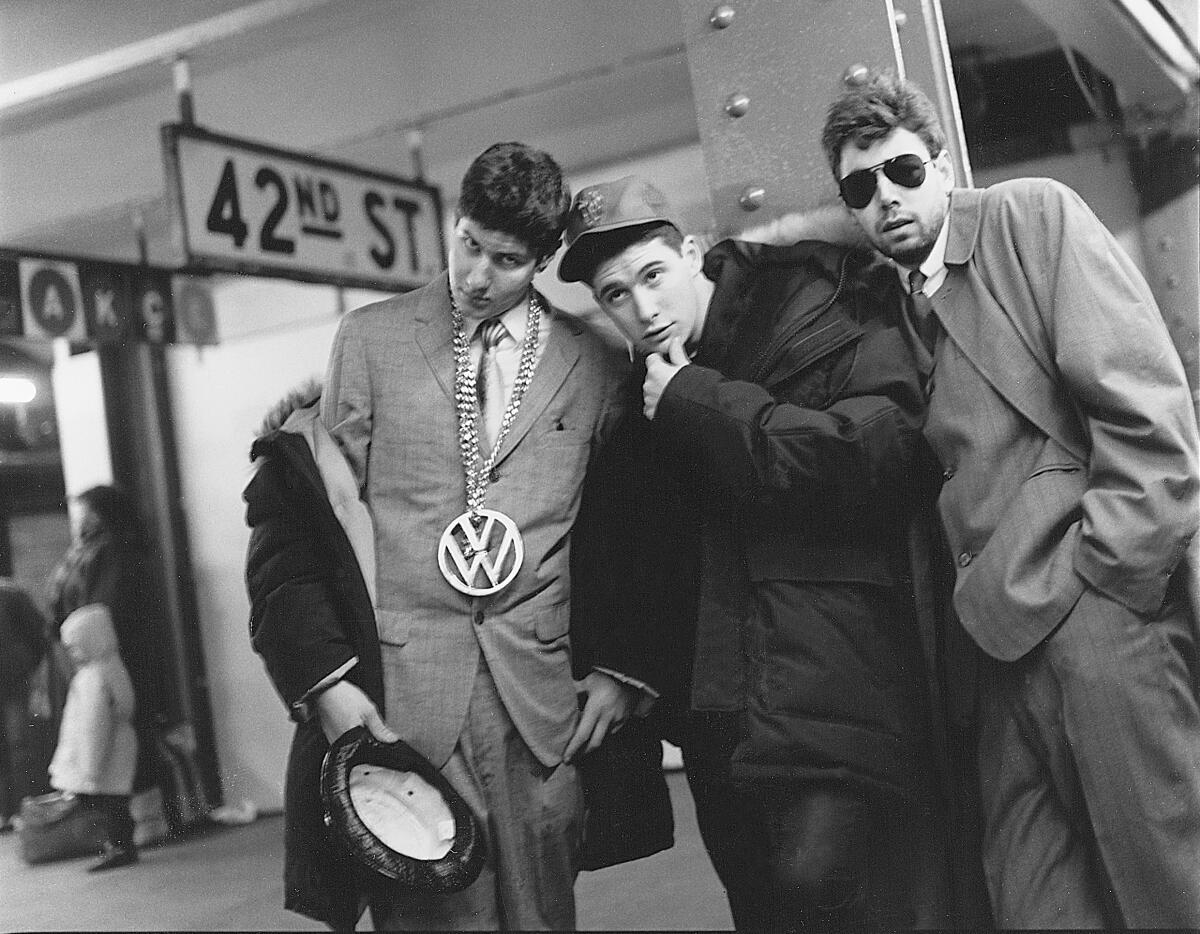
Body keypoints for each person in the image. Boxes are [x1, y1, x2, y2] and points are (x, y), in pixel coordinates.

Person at [821, 70, 1200, 928]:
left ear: (943, 163)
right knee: (1035, 902)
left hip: (1097, 628)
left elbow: (1147, 410)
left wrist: (1108, 585)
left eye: (904, 171)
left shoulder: (1029, 219)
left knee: (1168, 889)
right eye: (860, 187)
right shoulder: (897, 307)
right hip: (993, 661)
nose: (886, 197)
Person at [274, 141, 656, 931]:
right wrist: (325, 682)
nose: (477, 275)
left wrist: (625, 668)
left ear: (546, 258)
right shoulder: (370, 340)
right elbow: (308, 525)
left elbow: (631, 530)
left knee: (543, 919)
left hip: (541, 704)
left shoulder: (596, 363)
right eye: (468, 244)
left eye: (507, 260)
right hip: (406, 703)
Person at [559, 176, 942, 931]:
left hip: (830, 678)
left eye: (652, 275)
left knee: (824, 887)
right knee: (763, 905)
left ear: (693, 253)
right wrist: (620, 662)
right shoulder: (644, 392)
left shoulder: (804, 298)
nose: (643, 309)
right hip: (719, 712)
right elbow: (639, 544)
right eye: (615, 295)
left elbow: (876, 459)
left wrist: (694, 401)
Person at [46, 485, 169, 802]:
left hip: (111, 656)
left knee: (109, 733)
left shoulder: (112, 552)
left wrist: (77, 637)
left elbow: (101, 611)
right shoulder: (90, 552)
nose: (82, 518)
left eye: (88, 510)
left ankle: (130, 819)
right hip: (94, 654)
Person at [48, 603, 139, 871]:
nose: (73, 654)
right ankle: (123, 844)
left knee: (107, 805)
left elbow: (93, 726)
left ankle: (117, 846)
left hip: (101, 753)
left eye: (75, 647)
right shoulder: (114, 667)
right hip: (119, 746)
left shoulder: (91, 679)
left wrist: (90, 765)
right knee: (117, 802)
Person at [0, 578, 49, 831]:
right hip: (14, 677)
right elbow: (38, 635)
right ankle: (14, 810)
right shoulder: (12, 592)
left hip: (12, 680)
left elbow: (38, 634)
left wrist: (26, 665)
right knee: (18, 747)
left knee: (19, 747)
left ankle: (20, 809)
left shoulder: (11, 593)